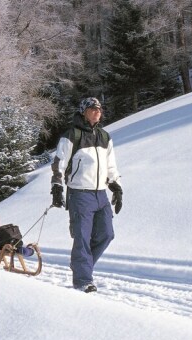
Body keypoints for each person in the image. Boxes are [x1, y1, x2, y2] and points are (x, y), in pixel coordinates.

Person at [50, 97, 123, 293]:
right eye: (93, 108)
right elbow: (59, 164)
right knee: (82, 236)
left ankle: (82, 265)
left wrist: (116, 186)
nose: (97, 111)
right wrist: (57, 187)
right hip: (80, 194)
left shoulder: (104, 137)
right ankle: (83, 280)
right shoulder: (72, 135)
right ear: (84, 111)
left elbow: (110, 166)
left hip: (100, 194)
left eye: (99, 108)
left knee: (107, 234)